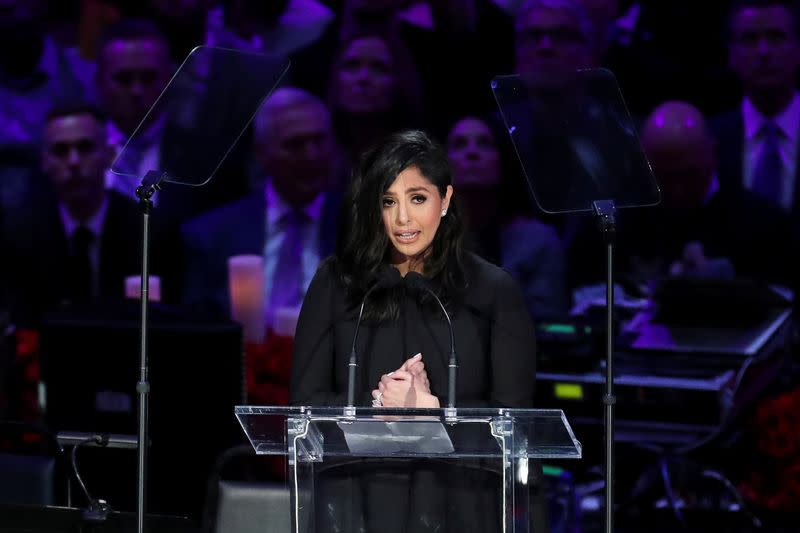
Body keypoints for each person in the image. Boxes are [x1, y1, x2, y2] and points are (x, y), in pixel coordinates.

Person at [289, 130, 544, 533]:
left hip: (462, 505)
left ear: (444, 200)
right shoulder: (337, 283)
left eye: (418, 198)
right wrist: (380, 405)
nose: (403, 218)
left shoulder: (492, 291)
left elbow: (516, 427)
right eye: (388, 202)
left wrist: (432, 413)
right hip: (360, 502)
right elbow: (304, 407)